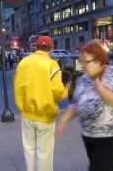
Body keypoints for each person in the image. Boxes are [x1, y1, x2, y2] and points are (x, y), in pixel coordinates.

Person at [56, 40, 113, 171]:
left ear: (99, 60)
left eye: (86, 62)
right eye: (81, 61)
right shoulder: (84, 79)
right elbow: (76, 104)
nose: (82, 66)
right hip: (89, 137)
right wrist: (63, 121)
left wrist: (102, 91)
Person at [14, 36, 70, 171]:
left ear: (36, 48)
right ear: (51, 49)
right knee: (44, 153)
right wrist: (66, 89)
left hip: (27, 114)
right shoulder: (52, 64)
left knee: (29, 149)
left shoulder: (24, 63)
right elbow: (57, 92)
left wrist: (22, 107)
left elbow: (18, 87)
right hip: (45, 115)